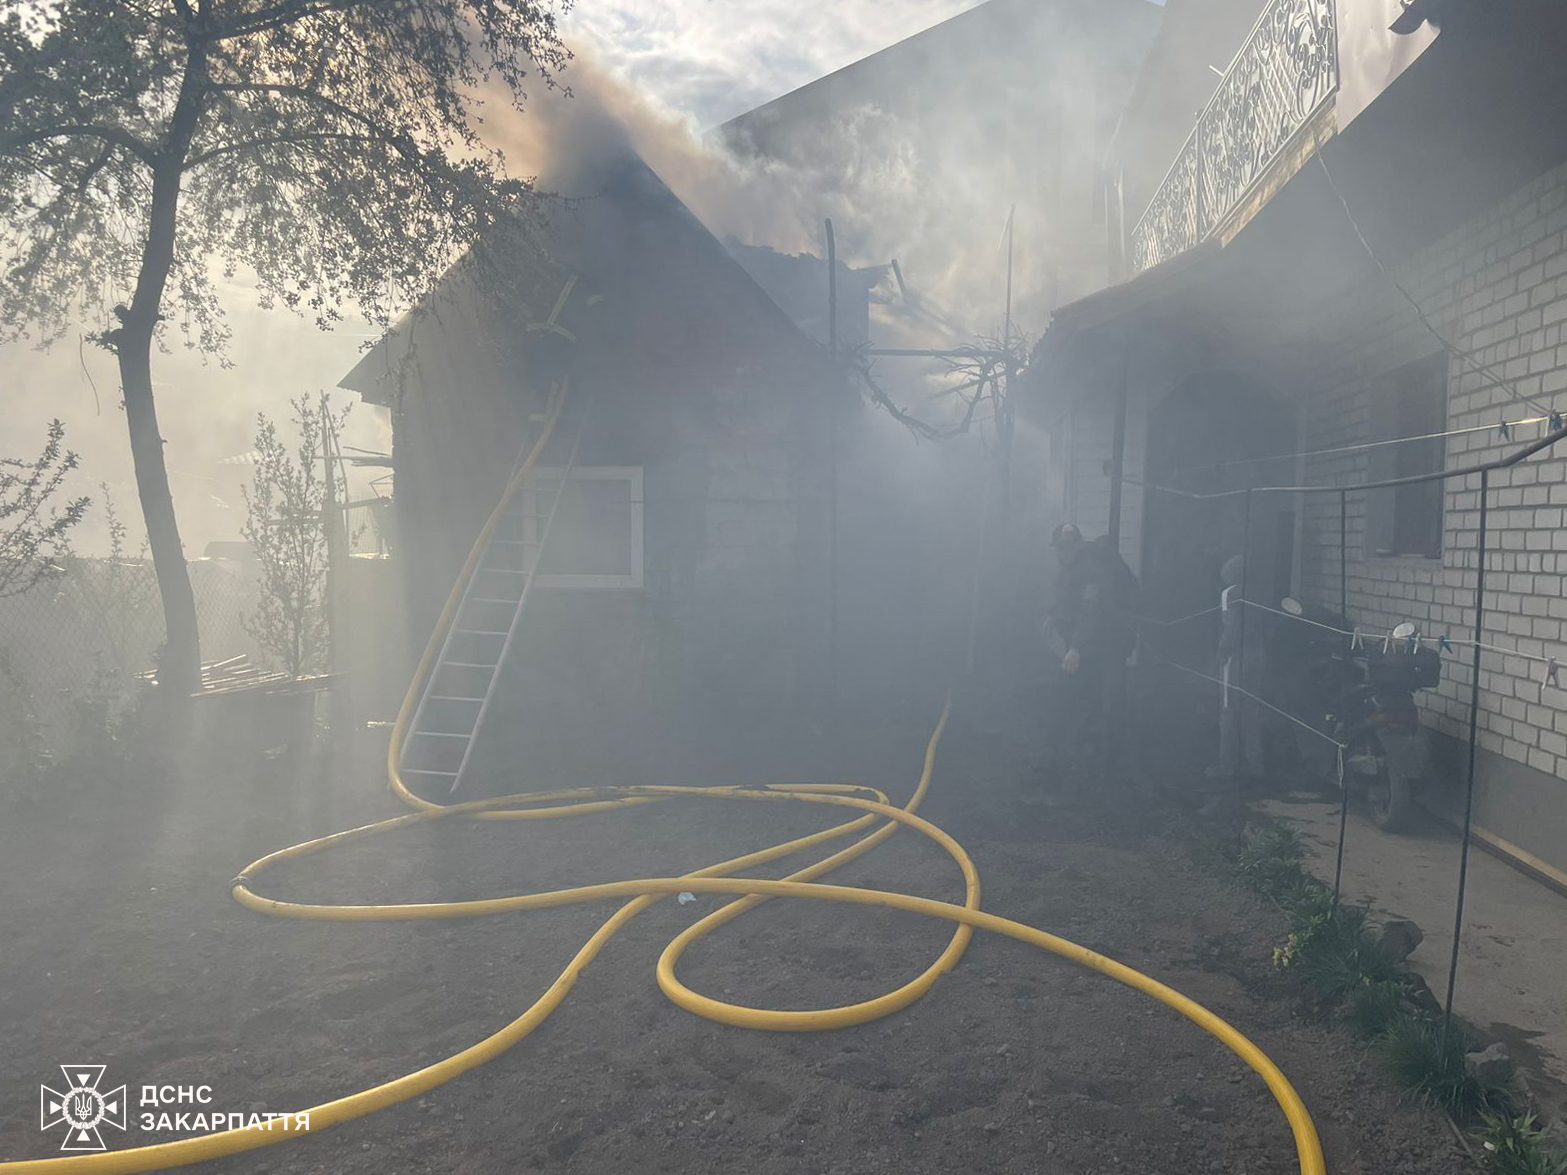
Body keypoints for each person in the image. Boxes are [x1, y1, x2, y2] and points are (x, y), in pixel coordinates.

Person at [1043, 522, 1138, 794]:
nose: (1063, 552)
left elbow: (1089, 610)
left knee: (1110, 701)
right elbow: (1066, 599)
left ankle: (1114, 766)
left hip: (1110, 644)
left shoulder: (1093, 570)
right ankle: (1089, 754)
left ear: (1077, 545)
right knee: (1087, 697)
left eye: (1067, 546)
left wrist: (1075, 648)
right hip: (1092, 646)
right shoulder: (1069, 567)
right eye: (1059, 547)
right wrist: (1052, 614)